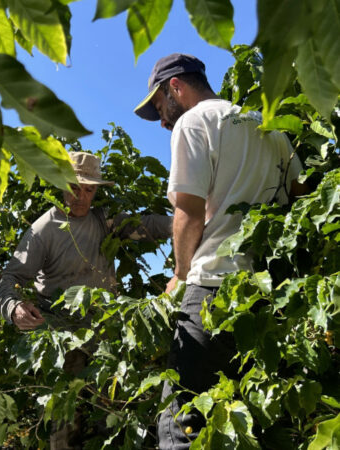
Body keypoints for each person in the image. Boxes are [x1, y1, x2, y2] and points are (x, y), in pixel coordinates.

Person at [134, 53, 307, 448]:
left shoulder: (194, 123)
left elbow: (188, 210)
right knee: (247, 422)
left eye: (162, 107)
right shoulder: (268, 124)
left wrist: (179, 274)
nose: (163, 121)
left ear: (175, 86)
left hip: (212, 288)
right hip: (265, 296)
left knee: (182, 421)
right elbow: (301, 192)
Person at [0, 151, 172, 449]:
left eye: (88, 189)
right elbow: (8, 280)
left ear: (96, 191)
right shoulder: (42, 231)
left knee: (113, 415)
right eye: (73, 187)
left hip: (106, 334)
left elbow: (146, 225)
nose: (80, 196)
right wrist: (14, 308)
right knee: (64, 418)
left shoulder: (104, 222)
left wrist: (187, 222)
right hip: (65, 337)